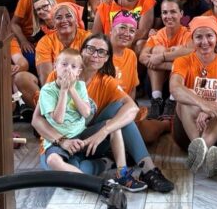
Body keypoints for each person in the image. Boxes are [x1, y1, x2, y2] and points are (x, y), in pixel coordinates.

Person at [32, 32, 176, 192]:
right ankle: (105, 163)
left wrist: (104, 131)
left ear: (107, 58)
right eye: (90, 49)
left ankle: (148, 169)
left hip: (87, 137)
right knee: (69, 180)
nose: (95, 55)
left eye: (101, 52)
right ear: (82, 51)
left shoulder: (106, 81)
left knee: (119, 110)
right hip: (58, 140)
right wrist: (62, 141)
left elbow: (133, 108)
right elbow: (36, 120)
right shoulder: (60, 74)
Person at [37, 47, 147, 192]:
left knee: (113, 125)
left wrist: (72, 89)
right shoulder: (47, 90)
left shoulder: (80, 86)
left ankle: (122, 174)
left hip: (81, 135)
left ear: (78, 72)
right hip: (57, 139)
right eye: (64, 64)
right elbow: (58, 119)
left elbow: (86, 112)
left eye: (73, 67)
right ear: (55, 66)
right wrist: (63, 91)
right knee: (56, 166)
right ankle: (97, 182)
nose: (68, 69)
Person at [170, 15, 217, 178]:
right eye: (199, 37)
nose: (204, 42)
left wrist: (213, 108)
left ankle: (201, 150)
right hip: (186, 134)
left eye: (209, 36)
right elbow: (174, 88)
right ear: (192, 39)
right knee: (187, 94)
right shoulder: (182, 61)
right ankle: (202, 148)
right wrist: (202, 104)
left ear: (216, 38)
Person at [140, 0, 194, 119]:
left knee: (180, 53)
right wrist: (166, 59)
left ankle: (172, 101)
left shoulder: (188, 34)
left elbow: (192, 53)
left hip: (181, 86)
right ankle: (156, 100)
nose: (168, 16)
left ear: (181, 13)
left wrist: (162, 57)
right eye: (165, 12)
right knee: (158, 49)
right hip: (157, 85)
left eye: (173, 12)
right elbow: (142, 57)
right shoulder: (157, 35)